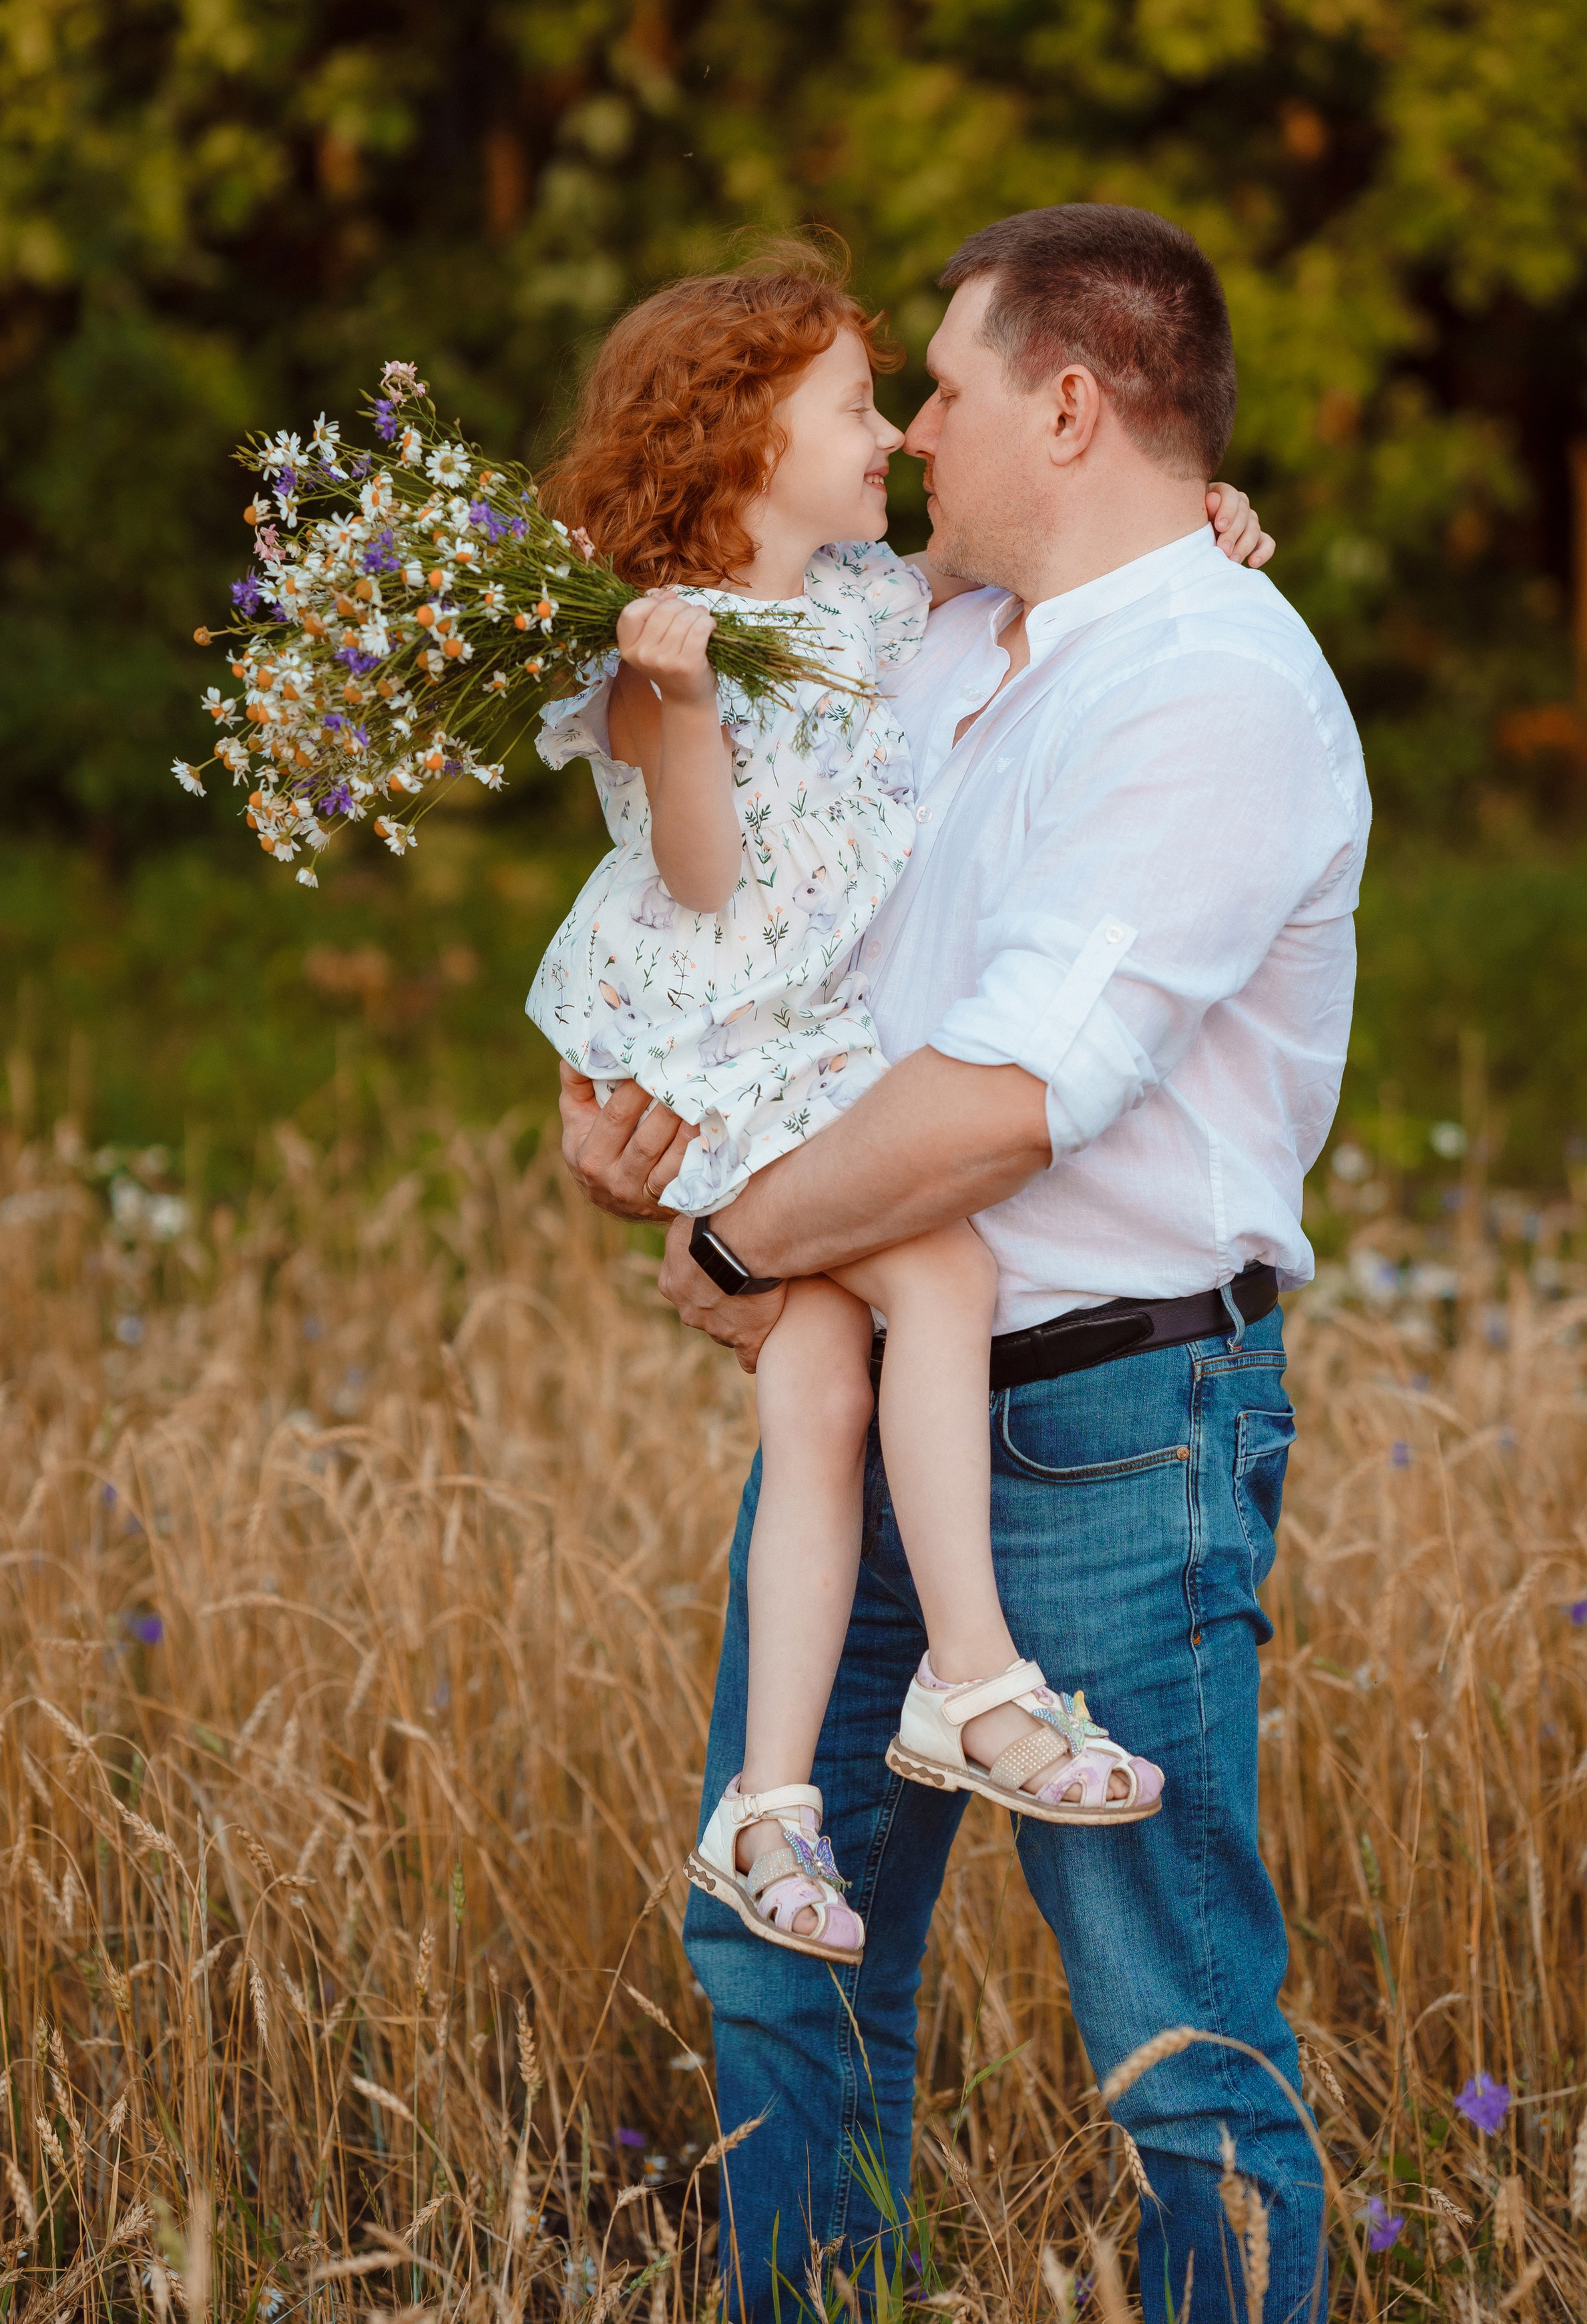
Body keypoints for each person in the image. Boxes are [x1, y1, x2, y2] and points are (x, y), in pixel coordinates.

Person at [561, 204, 1371, 2324]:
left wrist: (740, 1239)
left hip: (1112, 1420)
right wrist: (653, 1144)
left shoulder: (1210, 685)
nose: (913, 435)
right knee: (780, 1958)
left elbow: (1012, 1098)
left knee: (1171, 2032)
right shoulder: (930, 641)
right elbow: (760, 950)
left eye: (944, 389)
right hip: (887, 1386)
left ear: (1076, 408)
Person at [528, 256, 1265, 1967]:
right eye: (860, 408)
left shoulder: (869, 602)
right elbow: (705, 885)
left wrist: (1200, 510)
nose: (899, 435)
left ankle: (767, 1801)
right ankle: (973, 1673)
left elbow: (1047, 544)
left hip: (811, 1071)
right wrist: (691, 702)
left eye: (900, 396)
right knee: (932, 1283)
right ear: (738, 450)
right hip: (738, 1046)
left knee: (814, 1396)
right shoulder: (660, 660)